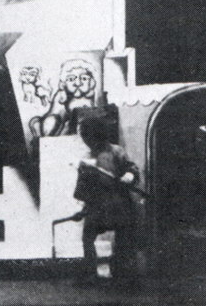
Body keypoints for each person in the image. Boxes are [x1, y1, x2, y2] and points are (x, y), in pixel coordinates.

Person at [73, 116, 140, 285]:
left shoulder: (116, 151)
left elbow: (131, 168)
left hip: (119, 204)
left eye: (88, 135)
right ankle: (90, 274)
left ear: (98, 134)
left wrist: (129, 175)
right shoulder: (86, 159)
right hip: (97, 206)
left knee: (123, 239)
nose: (86, 140)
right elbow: (83, 189)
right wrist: (83, 209)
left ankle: (121, 274)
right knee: (87, 237)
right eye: (84, 136)